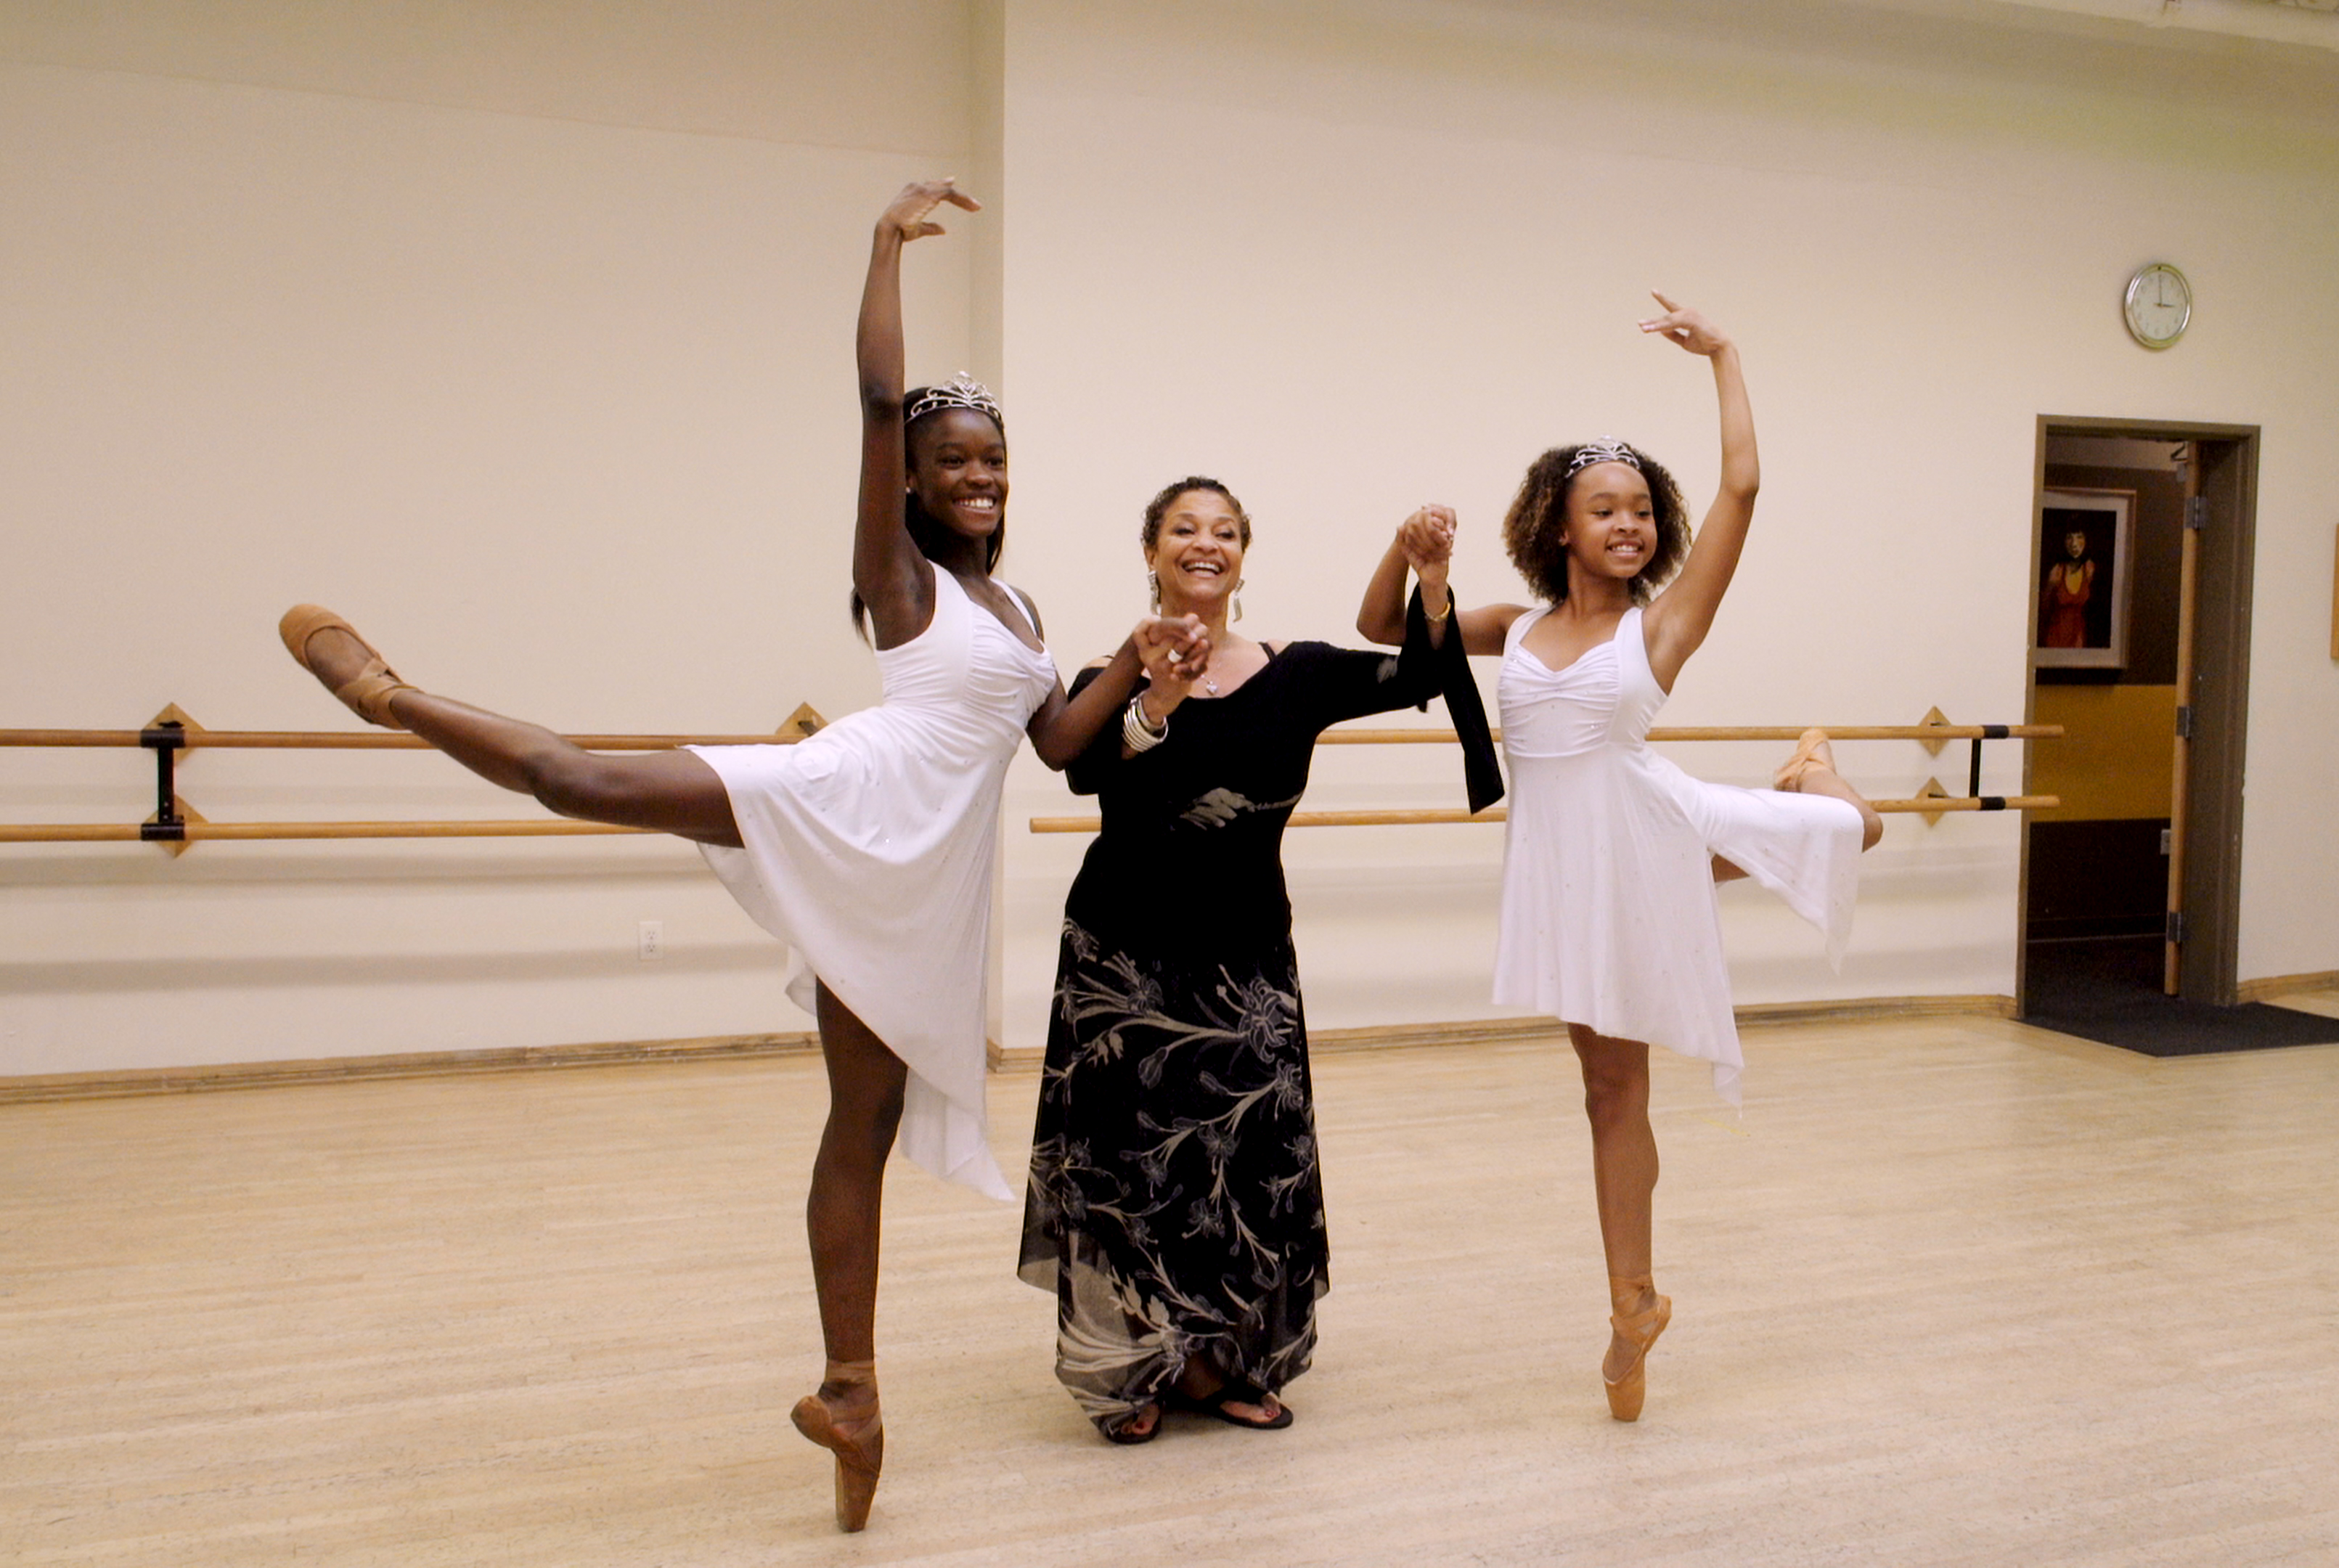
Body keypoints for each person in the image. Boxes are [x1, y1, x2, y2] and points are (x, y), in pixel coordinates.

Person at [275, 180, 1201, 1532]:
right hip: (851, 797)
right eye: (953, 459)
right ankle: (393, 697)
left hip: (930, 876)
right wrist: (885, 247)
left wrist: (1140, 658)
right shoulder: (898, 571)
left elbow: (1058, 746)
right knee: (582, 778)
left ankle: (853, 1394)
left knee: (862, 1127)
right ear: (910, 481)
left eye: (994, 459)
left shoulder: (1017, 600)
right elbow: (880, 405)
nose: (978, 476)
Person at [1376, 295, 1883, 1423]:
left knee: (1856, 829)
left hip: (1643, 826)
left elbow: (1743, 491)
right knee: (1610, 1090)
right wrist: (1412, 557)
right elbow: (1386, 634)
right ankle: (1633, 1306)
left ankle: (1818, 780)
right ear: (1558, 525)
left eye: (1643, 511)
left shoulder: (1657, 630)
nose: (1630, 525)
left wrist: (1727, 356)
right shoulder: (1508, 625)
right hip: (1567, 866)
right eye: (1604, 509)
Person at [1018, 477, 1493, 1444]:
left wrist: (1424, 575)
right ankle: (1139, 1362)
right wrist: (1157, 696)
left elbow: (1423, 677)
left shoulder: (1301, 670)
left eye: (1225, 531)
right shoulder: (1118, 664)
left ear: (1243, 557)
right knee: (1131, 1171)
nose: (1206, 544)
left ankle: (1217, 1360)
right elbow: (1083, 767)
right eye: (1185, 529)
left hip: (1247, 962)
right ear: (1151, 552)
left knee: (1237, 1168)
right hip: (1127, 960)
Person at [2041, 526, 2094, 648]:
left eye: (2079, 537)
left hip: (2079, 640)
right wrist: (2050, 586)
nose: (2074, 544)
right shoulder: (2057, 571)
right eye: (2069, 538)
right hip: (2056, 639)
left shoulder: (2090, 569)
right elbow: (2041, 609)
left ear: (2086, 540)